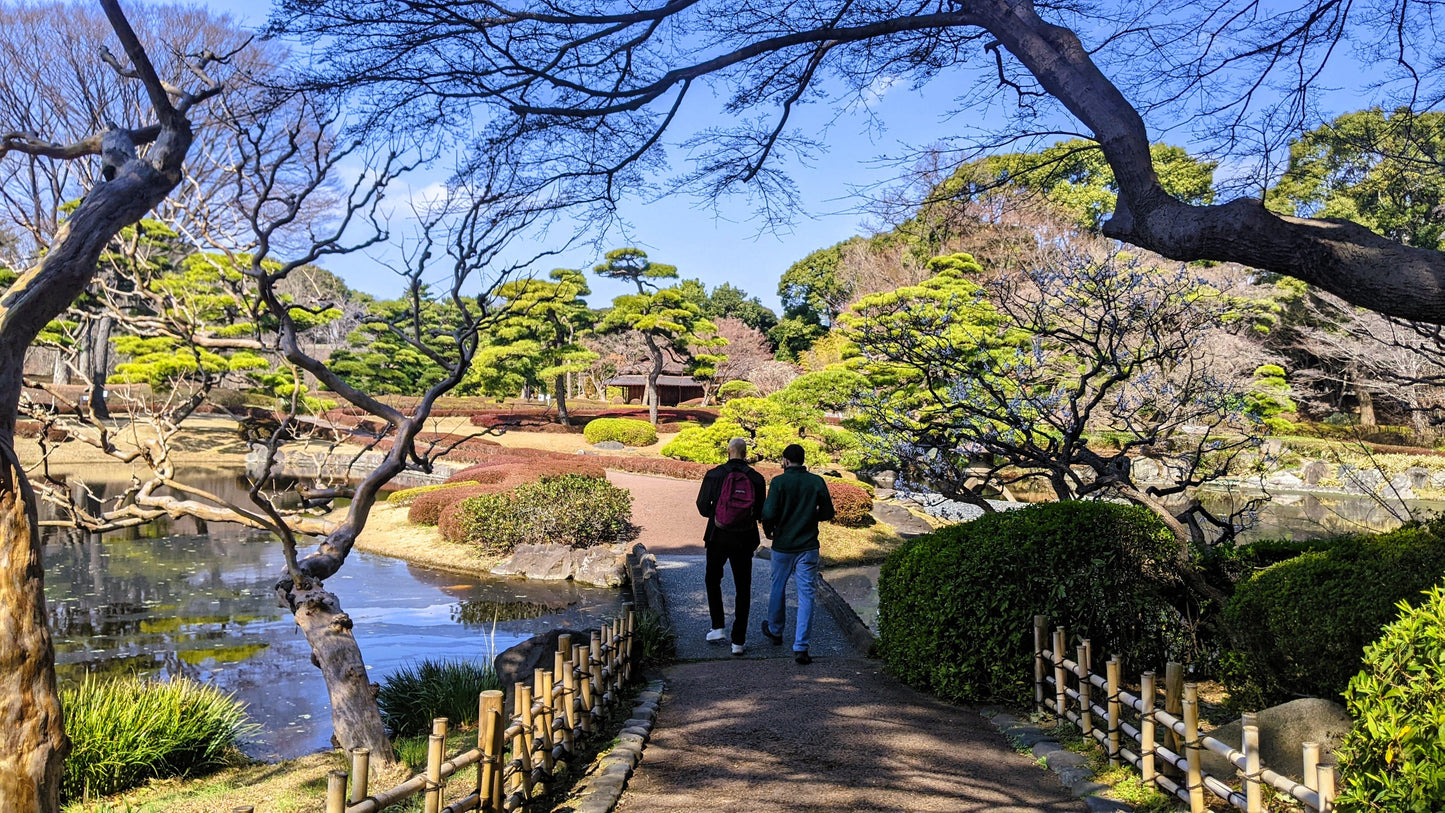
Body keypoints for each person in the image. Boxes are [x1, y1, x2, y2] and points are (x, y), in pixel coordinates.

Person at [760, 443, 835, 665]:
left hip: (783, 545)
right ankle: (801, 646)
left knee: (778, 586)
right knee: (807, 595)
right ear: (803, 460)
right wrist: (811, 518)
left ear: (785, 460)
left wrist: (769, 530)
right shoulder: (816, 482)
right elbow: (828, 512)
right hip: (808, 545)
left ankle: (775, 630)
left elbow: (768, 512)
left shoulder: (779, 482)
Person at [695, 437, 767, 656]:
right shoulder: (756, 478)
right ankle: (738, 641)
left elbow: (701, 506)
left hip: (717, 535)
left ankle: (718, 627)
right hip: (745, 538)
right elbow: (760, 511)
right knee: (743, 588)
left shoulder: (714, 474)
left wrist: (718, 514)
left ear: (728, 451)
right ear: (746, 454)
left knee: (712, 579)